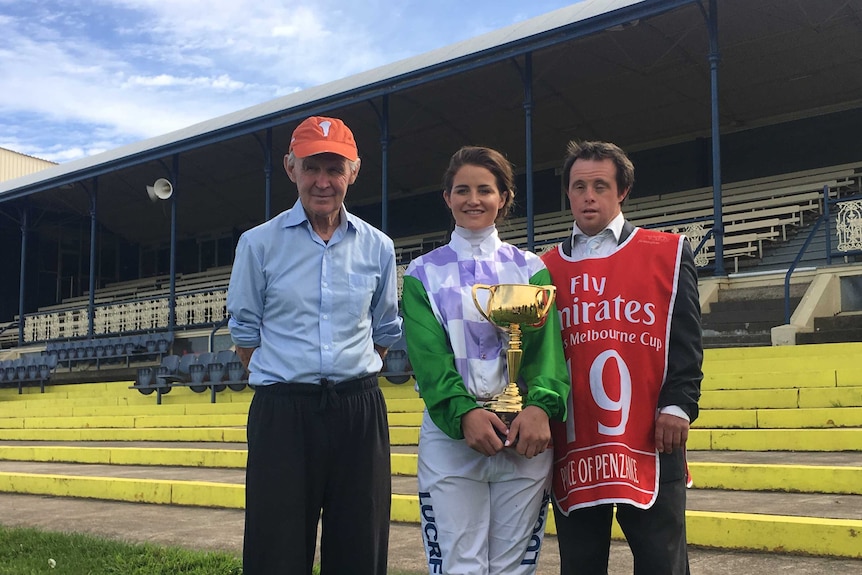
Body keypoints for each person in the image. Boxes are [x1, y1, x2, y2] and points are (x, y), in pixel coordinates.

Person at [226, 115, 403, 575]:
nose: (323, 181)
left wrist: (349, 379)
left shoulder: (378, 246)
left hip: (357, 411)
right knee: (275, 549)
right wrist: (292, 377)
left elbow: (384, 330)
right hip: (283, 413)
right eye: (312, 168)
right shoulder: (258, 244)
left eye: (334, 169)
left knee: (360, 546)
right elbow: (245, 332)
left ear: (354, 172)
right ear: (291, 168)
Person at [401, 146, 570, 575]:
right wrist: (464, 415)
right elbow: (429, 359)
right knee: (460, 565)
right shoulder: (421, 274)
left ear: (503, 198)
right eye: (462, 190)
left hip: (523, 436)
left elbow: (545, 350)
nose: (472, 199)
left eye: (484, 190)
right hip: (453, 437)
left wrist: (538, 406)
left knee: (514, 567)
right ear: (447, 198)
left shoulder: (531, 268)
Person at [541, 140, 703, 575]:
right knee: (580, 564)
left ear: (622, 190)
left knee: (661, 563)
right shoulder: (542, 269)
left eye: (599, 185)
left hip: (650, 437)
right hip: (574, 441)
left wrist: (679, 406)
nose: (588, 195)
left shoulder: (667, 252)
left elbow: (686, 341)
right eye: (578, 186)